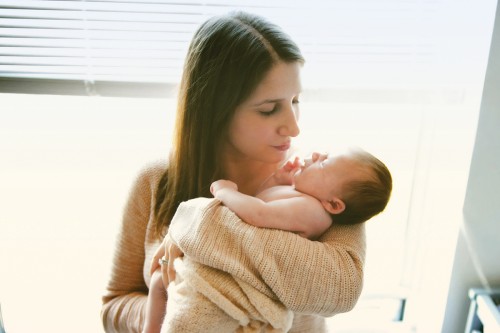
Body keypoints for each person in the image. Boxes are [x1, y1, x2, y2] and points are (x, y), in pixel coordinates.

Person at [101, 10, 367, 333]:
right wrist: (168, 309)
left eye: (296, 101)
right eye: (269, 110)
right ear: (216, 110)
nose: (294, 127)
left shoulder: (324, 184)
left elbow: (341, 287)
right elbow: (114, 302)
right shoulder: (156, 181)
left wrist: (195, 223)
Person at [143, 149, 392, 332]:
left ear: (334, 204)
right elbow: (264, 199)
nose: (316, 155)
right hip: (219, 265)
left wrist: (226, 192)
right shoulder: (303, 196)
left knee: (185, 318)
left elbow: (260, 214)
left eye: (324, 163)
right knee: (159, 285)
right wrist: (276, 181)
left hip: (240, 285)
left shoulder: (312, 210)